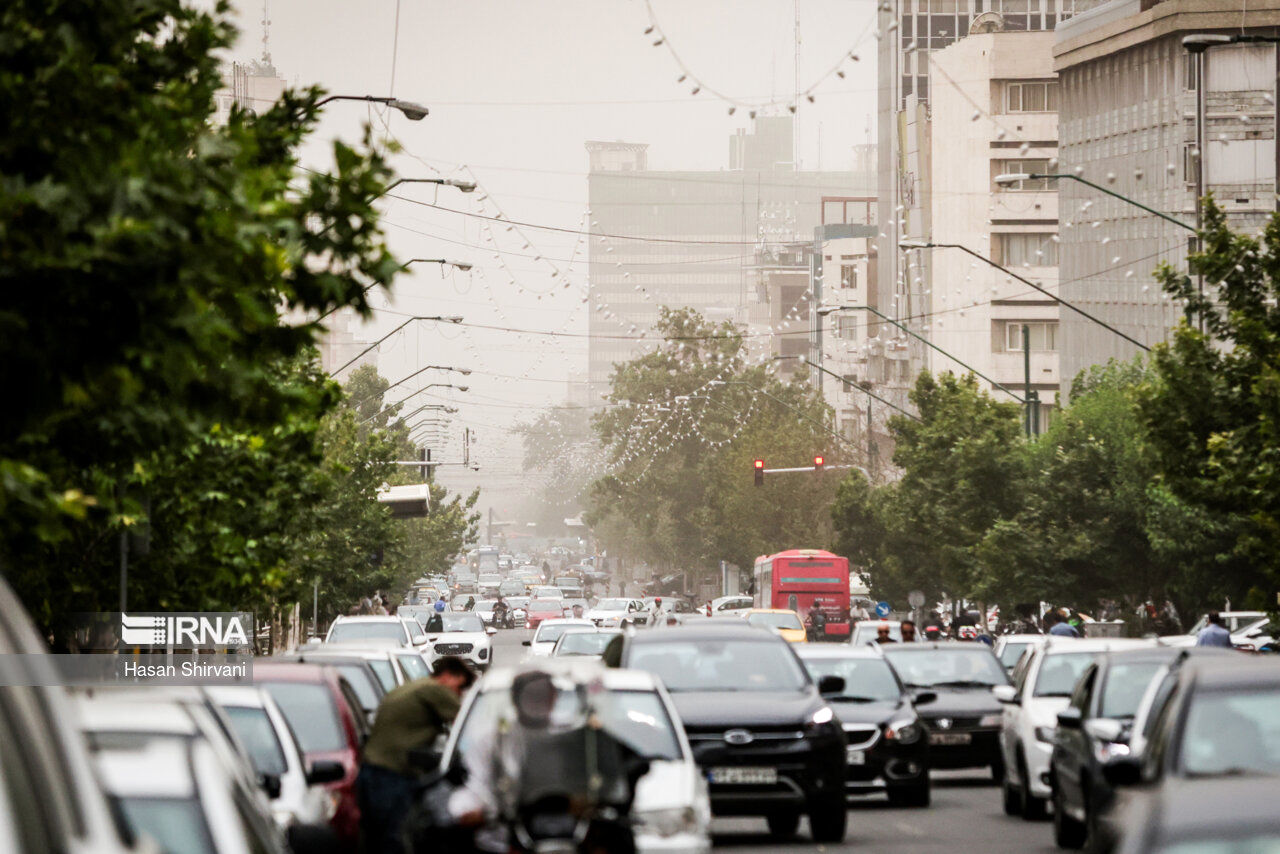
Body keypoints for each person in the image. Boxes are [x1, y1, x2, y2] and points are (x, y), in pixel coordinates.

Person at [358, 656, 476, 854]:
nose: (459, 694)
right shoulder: (435, 689)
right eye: (459, 688)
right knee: (396, 838)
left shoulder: (410, 687)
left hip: (370, 771)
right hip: (393, 776)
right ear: (447, 676)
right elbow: (467, 724)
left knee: (375, 840)